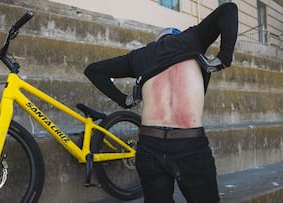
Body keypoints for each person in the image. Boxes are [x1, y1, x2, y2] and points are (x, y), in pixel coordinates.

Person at [84, 2, 238, 203]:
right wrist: (223, 58)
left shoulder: (140, 56)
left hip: (150, 144)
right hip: (188, 143)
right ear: (176, 36)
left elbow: (94, 70)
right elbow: (229, 8)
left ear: (157, 41)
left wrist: (125, 100)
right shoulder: (192, 38)